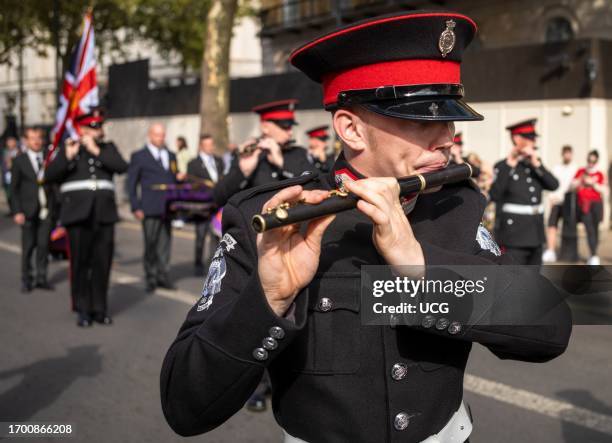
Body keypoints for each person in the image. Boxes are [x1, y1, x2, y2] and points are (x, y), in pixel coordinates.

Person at [161, 12, 571, 442]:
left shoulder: (456, 203)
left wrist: (421, 270)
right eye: (422, 121)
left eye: (449, 119)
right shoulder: (264, 220)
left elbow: (550, 326)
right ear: (352, 129)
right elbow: (184, 407)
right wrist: (269, 299)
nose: (447, 137)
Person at [45, 111, 128, 327]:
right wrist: (67, 157)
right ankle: (82, 308)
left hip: (104, 214)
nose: (97, 130)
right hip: (77, 215)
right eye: (92, 127)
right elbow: (49, 175)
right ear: (82, 130)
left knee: (103, 263)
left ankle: (100, 308)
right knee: (81, 263)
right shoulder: (70, 148)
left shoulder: (107, 148)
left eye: (99, 126)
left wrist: (96, 150)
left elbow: (121, 166)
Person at [212, 100, 314, 206]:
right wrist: (243, 172)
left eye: (291, 127)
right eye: (285, 126)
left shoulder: (298, 153)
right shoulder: (248, 153)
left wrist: (282, 163)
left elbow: (317, 184)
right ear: (265, 127)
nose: (290, 132)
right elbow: (219, 197)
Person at [490, 119, 559, 265]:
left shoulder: (534, 166)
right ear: (517, 139)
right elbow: (495, 194)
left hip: (536, 234)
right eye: (529, 138)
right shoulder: (503, 166)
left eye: (534, 138)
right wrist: (510, 164)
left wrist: (537, 164)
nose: (533, 142)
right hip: (514, 237)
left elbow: (554, 185)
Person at [127, 123, 185, 293]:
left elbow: (173, 178)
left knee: (165, 243)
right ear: (150, 135)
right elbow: (131, 184)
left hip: (168, 207)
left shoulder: (171, 155)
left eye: (163, 135)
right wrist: (135, 206)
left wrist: (178, 178)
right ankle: (150, 276)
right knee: (151, 243)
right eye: (158, 135)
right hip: (149, 207)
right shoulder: (139, 156)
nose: (161, 138)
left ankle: (163, 275)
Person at [10, 127, 55, 292]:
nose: (36, 141)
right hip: (27, 211)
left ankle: (41, 277)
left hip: (45, 210)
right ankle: (26, 278)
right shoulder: (19, 160)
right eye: (32, 138)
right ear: (26, 141)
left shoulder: (48, 159)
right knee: (28, 246)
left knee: (43, 245)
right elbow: (13, 189)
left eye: (38, 138)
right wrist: (17, 211)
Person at [187, 134, 224, 275]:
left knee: (217, 236)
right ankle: (198, 264)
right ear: (201, 146)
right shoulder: (193, 164)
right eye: (207, 145)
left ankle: (214, 265)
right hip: (202, 206)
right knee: (200, 236)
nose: (210, 147)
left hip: (217, 206)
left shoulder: (219, 161)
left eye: (211, 144)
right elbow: (191, 185)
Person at [542, 145, 577, 263]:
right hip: (556, 201)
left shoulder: (575, 169)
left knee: (568, 228)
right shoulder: (557, 168)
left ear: (571, 155)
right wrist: (551, 199)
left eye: (569, 153)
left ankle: (567, 252)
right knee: (552, 226)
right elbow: (551, 185)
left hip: (568, 203)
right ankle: (551, 250)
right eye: (565, 153)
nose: (567, 155)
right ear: (562, 154)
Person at [572, 150, 606, 265]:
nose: (591, 163)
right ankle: (594, 254)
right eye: (589, 160)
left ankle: (593, 253)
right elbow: (572, 185)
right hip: (584, 204)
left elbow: (604, 190)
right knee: (589, 228)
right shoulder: (581, 171)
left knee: (595, 229)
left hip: (596, 204)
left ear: (596, 161)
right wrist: (581, 180)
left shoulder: (599, 174)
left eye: (593, 161)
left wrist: (593, 183)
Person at [2, 136, 20, 214]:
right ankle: (12, 210)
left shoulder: (19, 152)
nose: (10, 143)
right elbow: (4, 165)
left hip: (15, 176)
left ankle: (17, 210)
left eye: (12, 141)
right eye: (9, 141)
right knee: (9, 194)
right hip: (6, 177)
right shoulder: (5, 152)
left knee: (16, 193)